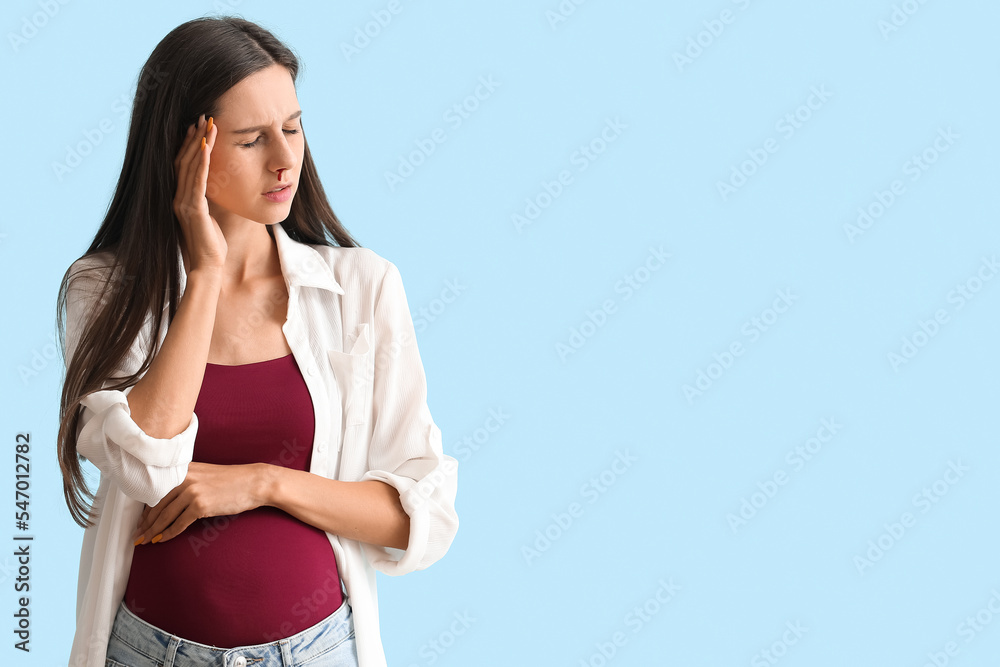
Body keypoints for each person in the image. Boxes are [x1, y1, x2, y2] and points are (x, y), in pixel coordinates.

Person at [55, 16, 459, 667]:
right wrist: (206, 274)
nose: (284, 159)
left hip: (320, 650)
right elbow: (146, 465)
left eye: (293, 127)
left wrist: (263, 483)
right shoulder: (104, 290)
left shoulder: (364, 287)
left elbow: (420, 515)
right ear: (186, 150)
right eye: (250, 140)